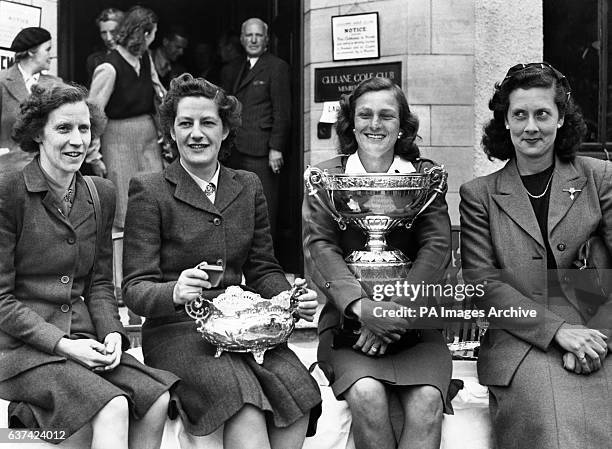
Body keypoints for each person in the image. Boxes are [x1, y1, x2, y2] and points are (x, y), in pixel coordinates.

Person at [122, 73, 321, 449]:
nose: (196, 134)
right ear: (172, 131)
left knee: (299, 391)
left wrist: (288, 299)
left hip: (244, 326)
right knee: (242, 403)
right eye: (185, 123)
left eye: (208, 123)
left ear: (226, 130)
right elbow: (135, 289)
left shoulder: (247, 185)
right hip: (178, 331)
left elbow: (262, 267)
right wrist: (175, 291)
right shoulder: (149, 190)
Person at [0, 82, 178, 448]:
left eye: (84, 128)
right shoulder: (10, 192)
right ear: (38, 132)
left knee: (155, 399)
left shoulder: (100, 193)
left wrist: (113, 332)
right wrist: (63, 345)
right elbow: (1, 300)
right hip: (19, 350)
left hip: (84, 340)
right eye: (64, 128)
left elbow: (98, 283)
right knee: (113, 405)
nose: (77, 140)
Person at [460, 62, 612, 449]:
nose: (531, 127)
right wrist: (558, 332)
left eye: (542, 114)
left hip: (599, 330)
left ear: (561, 119)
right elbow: (483, 285)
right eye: (519, 115)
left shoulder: (598, 177)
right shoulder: (480, 194)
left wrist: (600, 338)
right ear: (505, 122)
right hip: (522, 340)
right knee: (554, 427)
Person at [303, 76, 453, 449]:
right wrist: (362, 307)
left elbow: (436, 247)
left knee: (427, 402)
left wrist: (395, 310)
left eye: (387, 115)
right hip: (345, 327)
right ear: (351, 122)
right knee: (367, 395)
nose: (375, 124)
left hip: (416, 325)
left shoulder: (424, 177)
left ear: (402, 125)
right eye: (365, 114)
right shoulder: (326, 177)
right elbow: (319, 246)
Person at [89, 6, 164, 231]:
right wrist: (94, 156)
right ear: (145, 34)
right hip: (118, 142)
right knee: (124, 209)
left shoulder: (146, 58)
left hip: (148, 140)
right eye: (154, 34)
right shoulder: (109, 67)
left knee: (153, 201)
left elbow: (160, 94)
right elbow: (93, 114)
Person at [223, 18, 291, 243]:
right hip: (235, 151)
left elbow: (282, 111)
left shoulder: (276, 67)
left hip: (262, 152)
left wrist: (276, 148)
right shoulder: (233, 68)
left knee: (265, 209)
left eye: (258, 35)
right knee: (235, 207)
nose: (253, 40)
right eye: (249, 35)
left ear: (266, 40)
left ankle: (266, 264)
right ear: (242, 39)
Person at [0, 28, 102, 175]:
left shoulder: (56, 84)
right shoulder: (3, 81)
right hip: (10, 170)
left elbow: (80, 120)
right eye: (47, 50)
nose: (51, 56)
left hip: (48, 170)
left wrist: (94, 157)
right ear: (31, 51)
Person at [85, 8, 125, 84]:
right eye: (104, 33)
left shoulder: (136, 58)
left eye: (113, 32)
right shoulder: (94, 60)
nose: (108, 38)